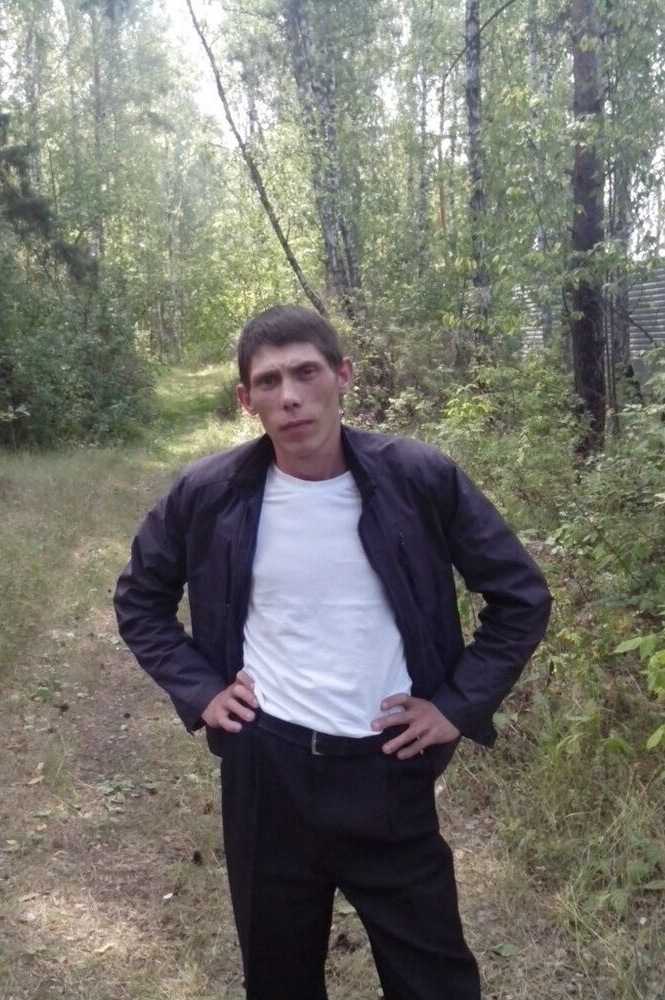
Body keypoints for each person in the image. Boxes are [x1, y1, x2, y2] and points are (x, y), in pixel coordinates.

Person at [114, 304, 551, 1000]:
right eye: (269, 381)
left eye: (306, 373)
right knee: (279, 980)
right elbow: (140, 600)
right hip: (268, 773)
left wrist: (455, 706)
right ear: (246, 399)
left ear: (343, 376)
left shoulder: (417, 478)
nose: (289, 396)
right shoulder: (210, 494)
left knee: (435, 981)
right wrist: (202, 691)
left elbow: (520, 596)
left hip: (387, 768)